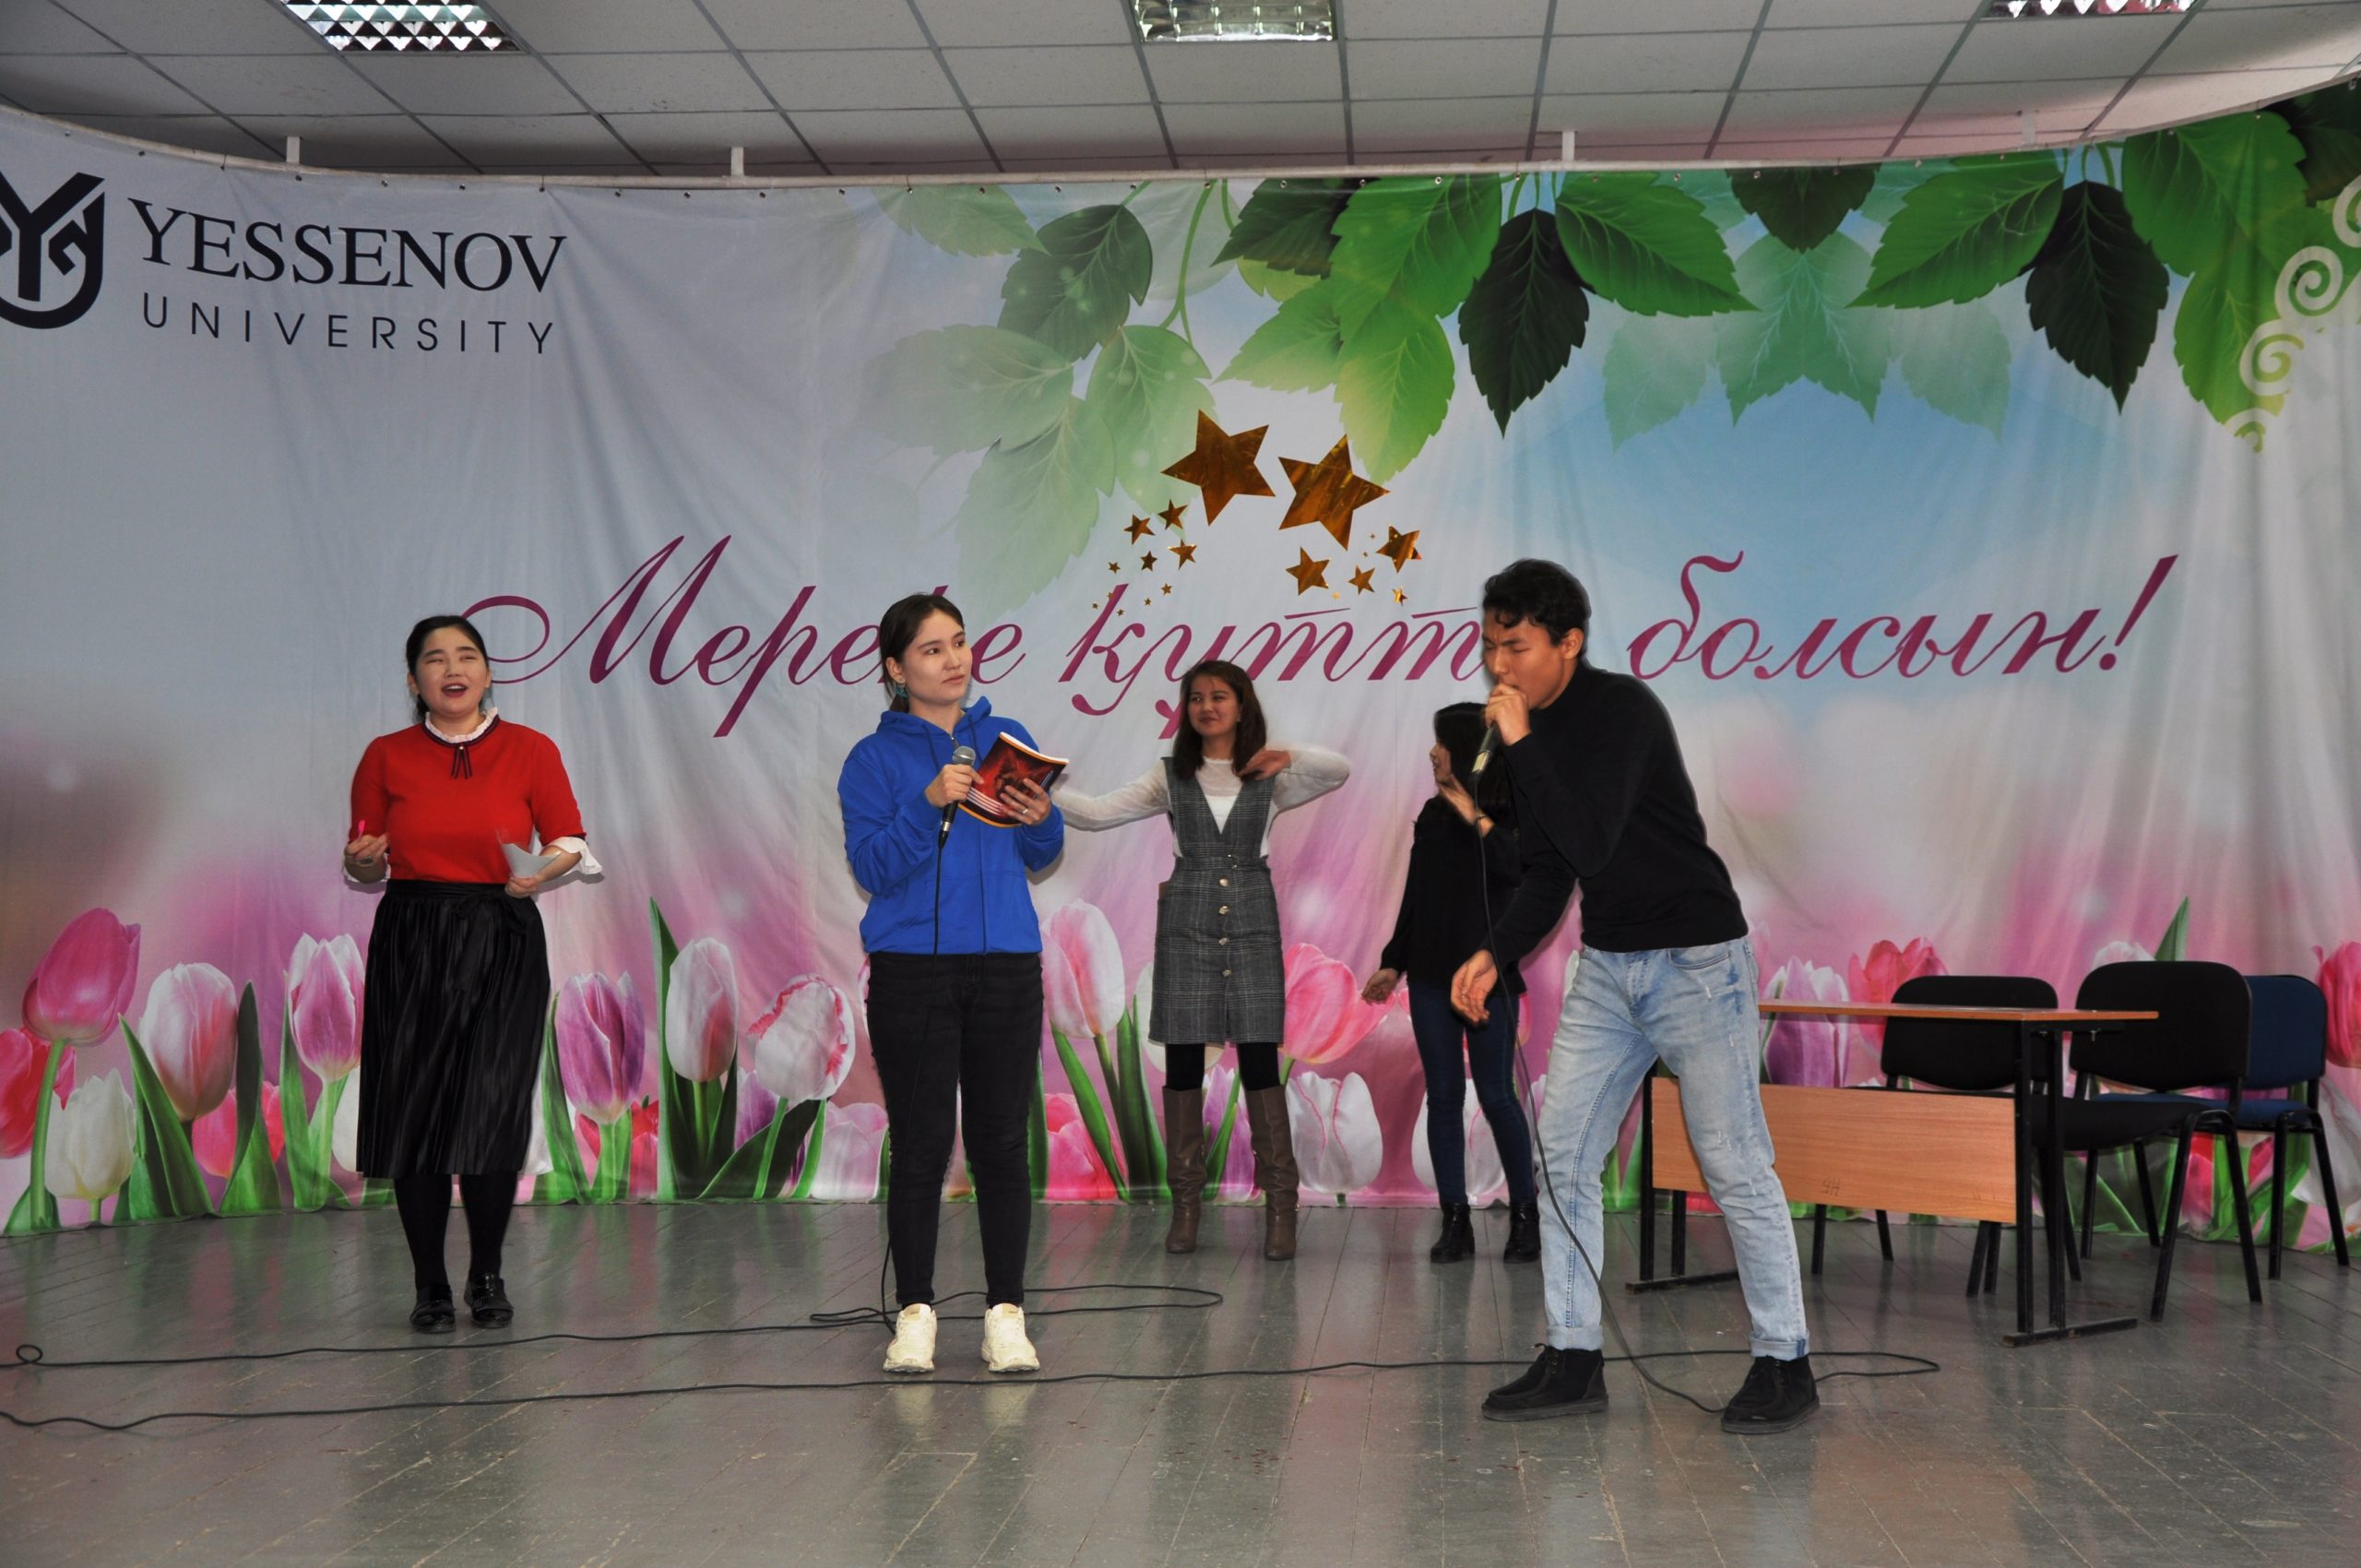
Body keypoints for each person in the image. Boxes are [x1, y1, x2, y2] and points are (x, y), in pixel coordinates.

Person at [1450, 561, 1816, 1433]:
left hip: (1697, 960)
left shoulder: (1624, 712)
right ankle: (1573, 1353)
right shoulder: (1524, 733)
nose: (1499, 665)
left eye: (1517, 646)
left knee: (1732, 1161)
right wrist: (1495, 952)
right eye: (1490, 645)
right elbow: (1551, 870)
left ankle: (1785, 1361)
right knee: (1563, 1155)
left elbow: (1593, 842)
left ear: (1569, 642)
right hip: (1610, 968)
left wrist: (1522, 745)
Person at [343, 614, 599, 1333]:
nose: (451, 669)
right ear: (413, 680)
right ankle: (429, 1283)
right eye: (434, 659)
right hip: (412, 934)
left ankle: (487, 1274)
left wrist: (540, 873)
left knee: (491, 1106)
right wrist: (360, 861)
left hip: (503, 932)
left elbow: (569, 840)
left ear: (488, 673)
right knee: (414, 1111)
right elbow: (363, 859)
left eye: (466, 656)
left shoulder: (531, 749)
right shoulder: (385, 755)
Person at [1056, 659, 1348, 1261]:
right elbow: (1096, 812)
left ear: (1242, 706)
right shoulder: (1171, 777)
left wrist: (1285, 756)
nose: (1207, 707)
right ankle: (1185, 1208)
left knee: (1261, 1064)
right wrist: (1041, 789)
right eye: (1195, 698)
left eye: (1219, 696)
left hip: (1252, 927)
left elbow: (1337, 770)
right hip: (1186, 928)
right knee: (1184, 1063)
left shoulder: (1270, 775)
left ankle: (1281, 1209)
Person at [837, 592, 1062, 1377]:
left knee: (1001, 1143)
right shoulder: (873, 760)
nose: (954, 659)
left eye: (960, 642)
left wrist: (1041, 816)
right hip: (913, 970)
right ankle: (915, 1314)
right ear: (896, 669)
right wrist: (928, 803)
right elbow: (872, 867)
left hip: (1006, 965)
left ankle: (1007, 1315)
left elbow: (1042, 853)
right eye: (932, 649)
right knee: (922, 1145)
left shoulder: (1008, 739)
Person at [1362, 702, 1538, 1265]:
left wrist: (1468, 805)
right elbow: (1417, 894)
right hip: (1432, 978)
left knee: (1497, 1094)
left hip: (1490, 978)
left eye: (1441, 742)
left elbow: (1516, 870)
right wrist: (1393, 962)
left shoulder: (1512, 810)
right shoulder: (1431, 814)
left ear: (1466, 751)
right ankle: (1455, 1218)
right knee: (1443, 1095)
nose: (1432, 752)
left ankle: (1526, 1216)